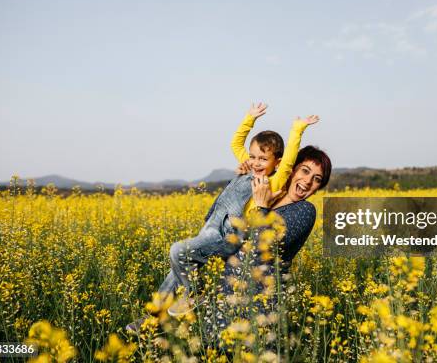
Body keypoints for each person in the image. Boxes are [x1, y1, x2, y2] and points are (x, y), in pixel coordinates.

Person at [127, 105, 319, 329]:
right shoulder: (248, 167)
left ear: (276, 163)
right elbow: (235, 144)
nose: (256, 163)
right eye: (253, 156)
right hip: (213, 226)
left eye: (263, 159)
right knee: (177, 267)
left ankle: (194, 295)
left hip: (230, 235)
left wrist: (298, 129)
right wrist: (249, 119)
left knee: (178, 251)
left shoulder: (274, 181)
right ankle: (153, 317)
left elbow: (289, 160)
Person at [213, 146, 332, 334]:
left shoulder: (304, 210)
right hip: (227, 295)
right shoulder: (264, 192)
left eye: (317, 179)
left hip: (259, 306)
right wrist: (239, 181)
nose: (308, 181)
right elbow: (219, 221)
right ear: (291, 169)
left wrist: (261, 206)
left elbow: (260, 246)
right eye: (305, 171)